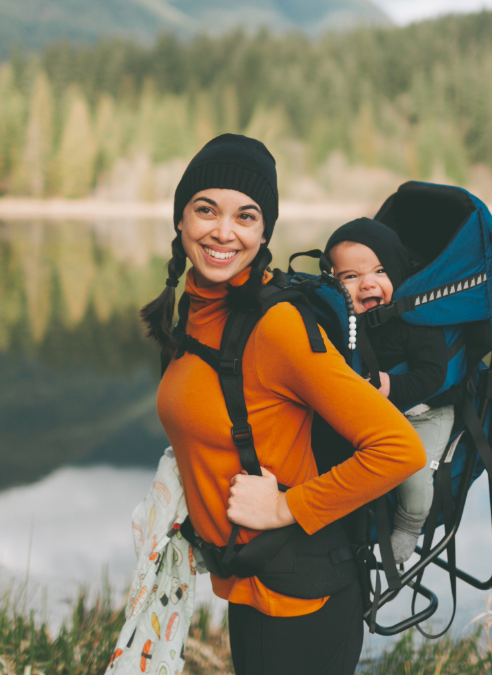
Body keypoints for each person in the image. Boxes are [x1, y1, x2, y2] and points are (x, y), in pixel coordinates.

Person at [141, 134, 426, 675]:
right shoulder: (199, 313)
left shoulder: (277, 327)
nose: (224, 232)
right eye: (207, 209)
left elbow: (399, 449)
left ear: (264, 232)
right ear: (180, 220)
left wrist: (282, 508)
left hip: (302, 597)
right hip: (252, 582)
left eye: (245, 217)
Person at [324, 218, 456, 563]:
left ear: (397, 273)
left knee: (412, 470)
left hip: (424, 415)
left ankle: (410, 524)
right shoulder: (342, 323)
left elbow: (433, 376)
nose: (367, 283)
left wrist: (390, 385)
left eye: (380, 271)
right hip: (373, 417)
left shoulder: (415, 320)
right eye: (350, 277)